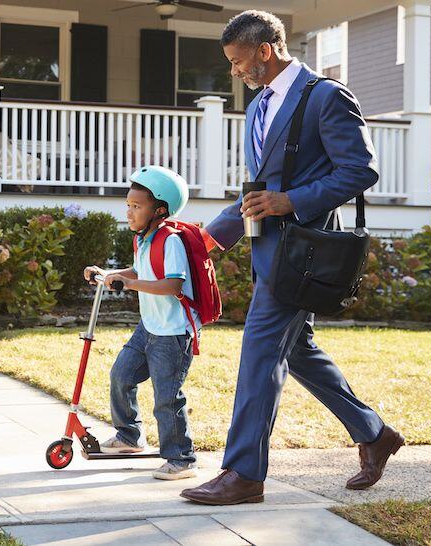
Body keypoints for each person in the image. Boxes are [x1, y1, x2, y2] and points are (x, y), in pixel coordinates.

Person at [180, 10, 403, 506]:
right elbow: (261, 187)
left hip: (304, 252)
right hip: (269, 251)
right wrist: (214, 237)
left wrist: (292, 200)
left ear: (265, 50)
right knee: (297, 351)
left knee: (260, 352)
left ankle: (243, 473)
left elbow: (360, 171)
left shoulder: (326, 96)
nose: (235, 72)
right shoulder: (259, 106)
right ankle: (375, 434)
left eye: (239, 62)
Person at [84, 166, 200, 481]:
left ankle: (182, 459)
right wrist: (109, 275)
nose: (129, 212)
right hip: (149, 327)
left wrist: (129, 285)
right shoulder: (144, 238)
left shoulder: (170, 240)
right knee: (121, 376)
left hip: (173, 334)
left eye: (137, 207)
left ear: (159, 210)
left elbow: (172, 285)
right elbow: (137, 271)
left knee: (167, 397)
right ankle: (129, 437)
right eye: (128, 205)